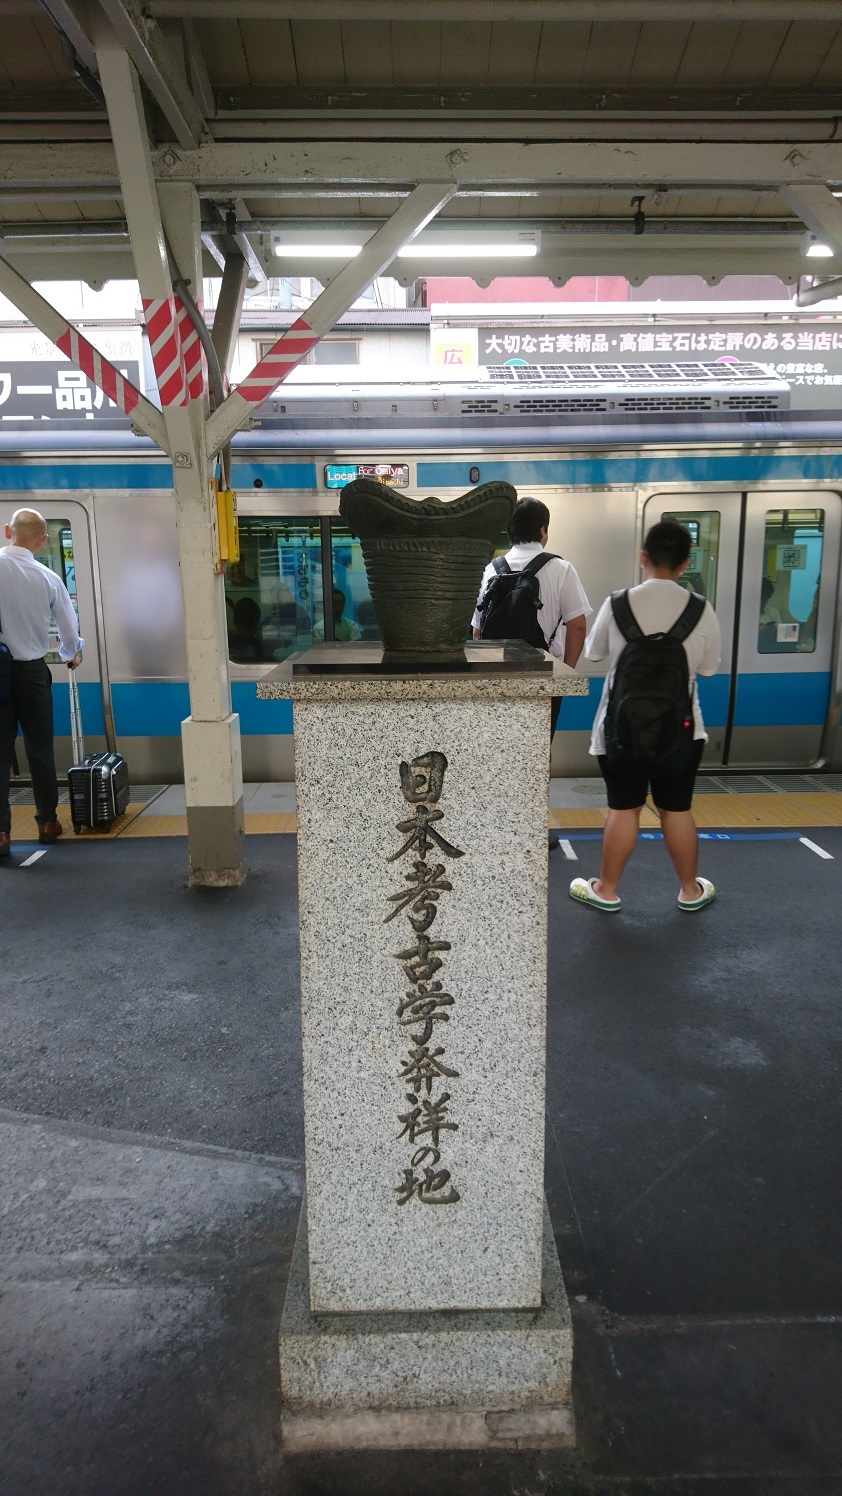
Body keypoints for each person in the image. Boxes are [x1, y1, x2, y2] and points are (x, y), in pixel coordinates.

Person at [569, 519, 721, 914]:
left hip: (618, 730)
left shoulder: (617, 604)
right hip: (683, 732)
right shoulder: (701, 610)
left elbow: (595, 655)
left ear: (643, 558)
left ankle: (606, 889)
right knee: (677, 808)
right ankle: (690, 890)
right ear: (686, 563)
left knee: (624, 807)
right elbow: (707, 669)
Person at [471, 495, 591, 848]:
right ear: (543, 530)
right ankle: (531, 829)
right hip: (542, 679)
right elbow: (578, 625)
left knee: (495, 753)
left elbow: (477, 631)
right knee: (537, 755)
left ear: (509, 531)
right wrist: (565, 671)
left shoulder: (491, 570)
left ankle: (493, 825)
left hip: (494, 680)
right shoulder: (561, 569)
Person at [0, 508, 84, 855]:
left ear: (8, 531)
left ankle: (1, 835)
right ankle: (47, 822)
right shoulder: (48, 577)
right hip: (32, 671)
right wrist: (71, 653)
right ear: (43, 540)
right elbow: (68, 627)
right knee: (40, 749)